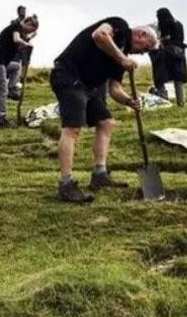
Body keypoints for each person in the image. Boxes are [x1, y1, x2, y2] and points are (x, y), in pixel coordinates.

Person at [50, 18, 159, 203]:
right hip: (67, 76)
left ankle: (99, 175)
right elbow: (99, 35)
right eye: (145, 48)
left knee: (106, 123)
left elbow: (114, 89)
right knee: (72, 129)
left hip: (87, 86)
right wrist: (123, 58)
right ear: (141, 34)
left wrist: (129, 101)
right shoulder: (119, 26)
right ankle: (66, 185)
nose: (142, 53)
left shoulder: (120, 57)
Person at [0, 15, 38, 128]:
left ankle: (12, 88)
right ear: (28, 23)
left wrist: (26, 47)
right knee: (2, 90)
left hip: (2, 62)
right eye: (31, 29)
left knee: (16, 67)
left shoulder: (20, 31)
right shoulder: (16, 27)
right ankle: (1, 119)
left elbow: (17, 45)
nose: (29, 32)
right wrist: (26, 43)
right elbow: (16, 39)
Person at [148, 8, 187, 106]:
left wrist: (160, 40)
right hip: (180, 51)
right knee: (178, 77)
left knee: (160, 75)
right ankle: (181, 101)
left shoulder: (164, 23)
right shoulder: (179, 24)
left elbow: (165, 37)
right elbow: (181, 38)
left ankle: (163, 99)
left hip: (166, 51)